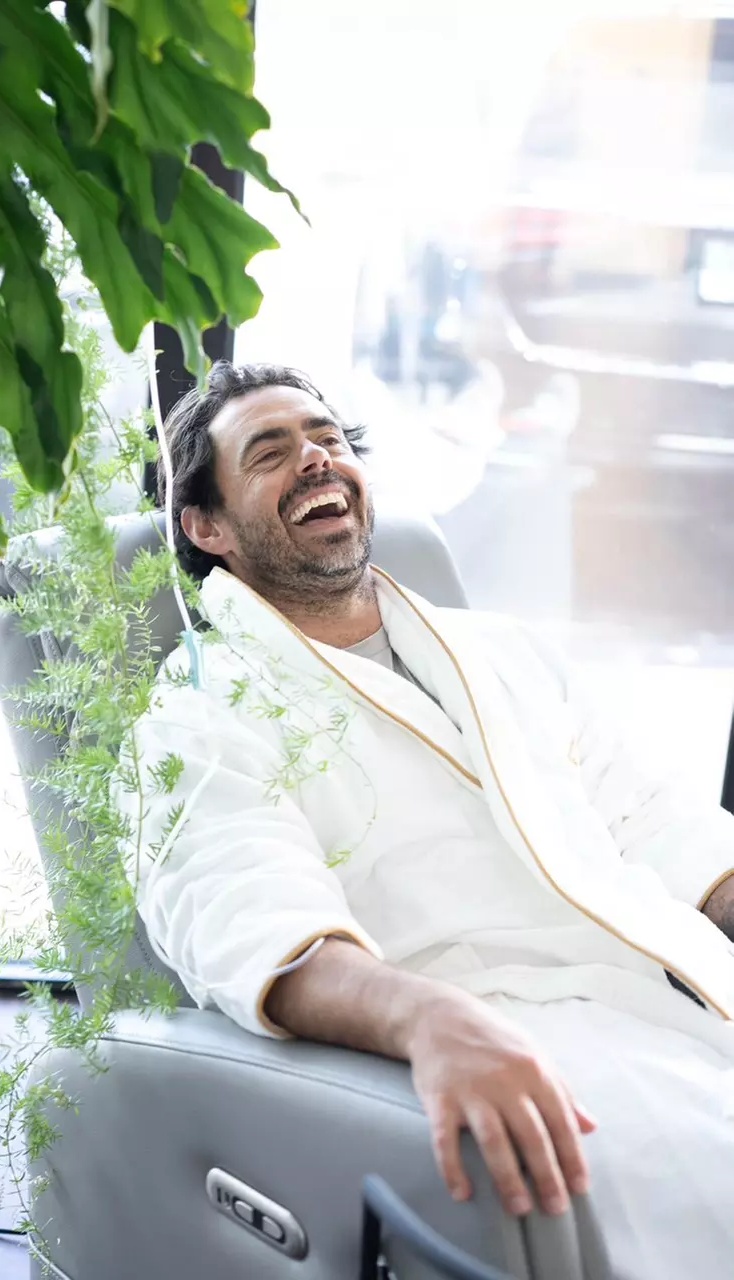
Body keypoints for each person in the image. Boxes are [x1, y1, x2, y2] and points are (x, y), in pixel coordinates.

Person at [121, 361, 734, 1278]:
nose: (316, 459)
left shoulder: (504, 652)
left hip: (671, 998)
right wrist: (432, 1023)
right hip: (501, 1032)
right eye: (270, 453)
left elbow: (659, 823)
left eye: (328, 438)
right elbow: (250, 917)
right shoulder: (198, 715)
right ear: (205, 526)